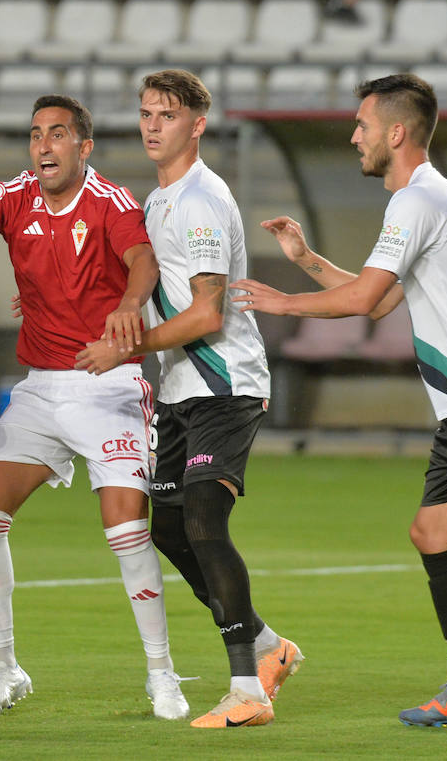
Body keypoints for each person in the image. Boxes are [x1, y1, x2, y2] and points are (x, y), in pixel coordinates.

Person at [231, 73, 447, 739]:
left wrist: (281, 301)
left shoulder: (417, 199)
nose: (353, 137)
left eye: (362, 125)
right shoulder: (425, 199)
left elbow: (364, 302)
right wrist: (306, 260)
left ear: (396, 132)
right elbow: (384, 295)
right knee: (431, 533)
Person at [0, 94, 189, 719]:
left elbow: (143, 258)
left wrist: (128, 306)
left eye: (59, 134)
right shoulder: (18, 194)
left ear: (84, 147)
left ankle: (162, 674)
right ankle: (7, 668)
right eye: (36, 134)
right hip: (41, 387)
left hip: (110, 381)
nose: (44, 145)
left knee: (125, 528)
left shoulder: (112, 203)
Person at [116, 70, 304, 729]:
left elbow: (205, 314)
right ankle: (264, 644)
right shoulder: (155, 199)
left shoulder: (198, 199)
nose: (151, 124)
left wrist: (125, 346)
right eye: (145, 113)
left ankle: (247, 688)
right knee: (165, 524)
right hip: (180, 390)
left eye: (165, 114)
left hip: (225, 383)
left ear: (197, 124)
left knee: (202, 520)